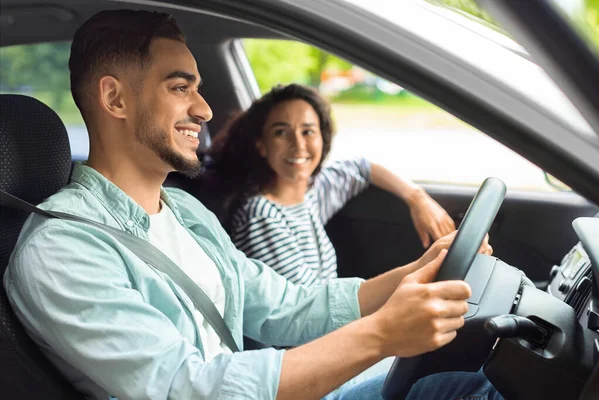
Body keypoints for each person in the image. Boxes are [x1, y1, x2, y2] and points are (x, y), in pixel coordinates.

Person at [3, 9, 503, 400]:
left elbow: (288, 307)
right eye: (181, 88)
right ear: (115, 99)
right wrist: (380, 336)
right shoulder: (62, 249)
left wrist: (417, 270)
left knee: (467, 374)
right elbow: (188, 389)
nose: (204, 109)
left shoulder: (185, 212)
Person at [208, 84, 458, 285]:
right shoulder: (261, 217)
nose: (298, 145)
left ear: (322, 138)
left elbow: (360, 168)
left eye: (308, 131)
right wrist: (424, 269)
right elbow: (311, 308)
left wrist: (418, 198)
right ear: (261, 145)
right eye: (281, 132)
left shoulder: (311, 192)